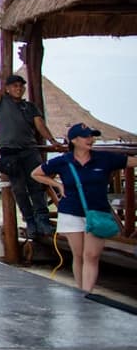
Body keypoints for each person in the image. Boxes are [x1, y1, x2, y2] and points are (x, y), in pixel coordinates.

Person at [32, 123, 136, 294]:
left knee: (91, 255)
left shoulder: (104, 158)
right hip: (71, 212)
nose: (91, 139)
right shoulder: (63, 161)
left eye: (92, 136)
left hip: (97, 212)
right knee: (79, 255)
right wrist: (57, 184)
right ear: (74, 140)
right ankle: (81, 293)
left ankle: (87, 293)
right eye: (86, 136)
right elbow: (36, 173)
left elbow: (131, 161)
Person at [0, 72, 62, 237]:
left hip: (29, 149)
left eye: (21, 86)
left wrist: (52, 140)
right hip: (10, 152)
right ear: (7, 88)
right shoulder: (2, 102)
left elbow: (40, 125)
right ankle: (30, 221)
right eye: (15, 86)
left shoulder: (30, 107)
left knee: (37, 186)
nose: (18, 89)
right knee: (19, 189)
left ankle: (42, 220)